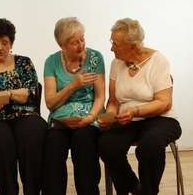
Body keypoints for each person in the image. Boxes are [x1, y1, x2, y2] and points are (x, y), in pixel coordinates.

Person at [98, 18, 182, 195]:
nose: (111, 47)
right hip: (128, 120)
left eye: (115, 43)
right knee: (107, 145)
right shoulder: (116, 63)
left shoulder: (159, 61)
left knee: (149, 146)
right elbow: (113, 101)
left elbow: (164, 102)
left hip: (160, 119)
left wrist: (134, 111)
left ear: (133, 46)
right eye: (111, 42)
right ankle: (134, 188)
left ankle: (149, 192)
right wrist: (109, 117)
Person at [0, 18, 47, 195]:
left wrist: (5, 96)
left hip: (25, 116)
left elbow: (31, 92)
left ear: (11, 43)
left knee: (33, 132)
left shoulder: (24, 62)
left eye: (4, 43)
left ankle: (33, 191)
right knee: (0, 139)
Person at [42, 17, 105, 195]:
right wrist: (73, 85)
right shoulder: (51, 62)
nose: (81, 45)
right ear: (62, 45)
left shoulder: (95, 58)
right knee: (53, 147)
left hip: (88, 117)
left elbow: (100, 96)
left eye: (82, 39)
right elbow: (50, 103)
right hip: (60, 120)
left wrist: (91, 117)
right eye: (74, 42)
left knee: (84, 142)